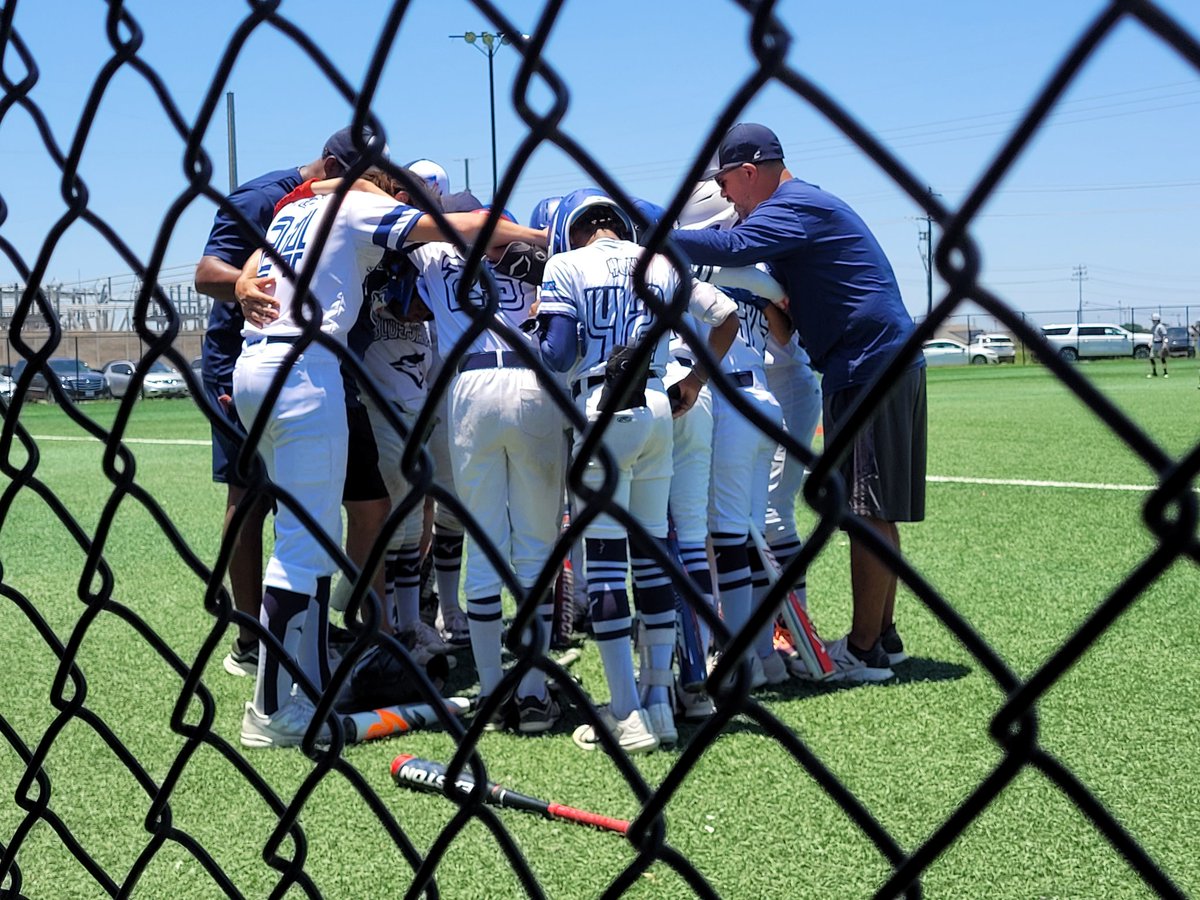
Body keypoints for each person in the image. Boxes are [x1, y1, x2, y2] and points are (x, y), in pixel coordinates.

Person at [233, 168, 543, 747]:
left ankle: (310, 684)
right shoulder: (352, 207)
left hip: (258, 366)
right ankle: (272, 710)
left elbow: (254, 260)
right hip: (305, 367)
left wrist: (244, 280)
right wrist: (546, 241)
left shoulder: (291, 210)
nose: (401, 199)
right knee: (304, 546)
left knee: (312, 534)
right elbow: (468, 225)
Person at [671, 123, 926, 683]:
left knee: (865, 510)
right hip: (871, 362)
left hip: (867, 365)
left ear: (747, 172)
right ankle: (880, 636)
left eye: (728, 185)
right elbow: (783, 324)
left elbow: (735, 247)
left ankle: (860, 648)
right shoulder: (798, 209)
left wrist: (655, 238)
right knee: (874, 509)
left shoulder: (793, 204)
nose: (728, 199)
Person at [535, 188, 740, 752]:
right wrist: (695, 380)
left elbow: (555, 351)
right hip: (656, 409)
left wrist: (529, 333)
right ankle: (658, 703)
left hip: (602, 408)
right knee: (653, 556)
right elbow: (726, 316)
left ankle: (625, 712)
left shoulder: (565, 264)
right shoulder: (660, 262)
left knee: (604, 563)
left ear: (574, 228)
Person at [194, 126, 382, 678]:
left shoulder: (349, 203)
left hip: (321, 362)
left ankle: (327, 620)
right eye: (359, 181)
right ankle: (251, 635)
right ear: (327, 167)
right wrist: (243, 286)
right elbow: (207, 272)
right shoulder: (261, 197)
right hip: (243, 358)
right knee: (248, 493)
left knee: (365, 502)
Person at [1149, 312, 1168, 378]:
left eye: (1153, 320)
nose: (1152, 321)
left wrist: (1165, 344)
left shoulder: (1161, 327)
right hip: (1155, 343)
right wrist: (1150, 342)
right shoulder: (1153, 327)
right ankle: (1154, 372)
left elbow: (1164, 336)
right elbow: (1153, 336)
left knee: (1162, 358)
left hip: (1160, 343)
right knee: (1151, 357)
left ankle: (1165, 372)